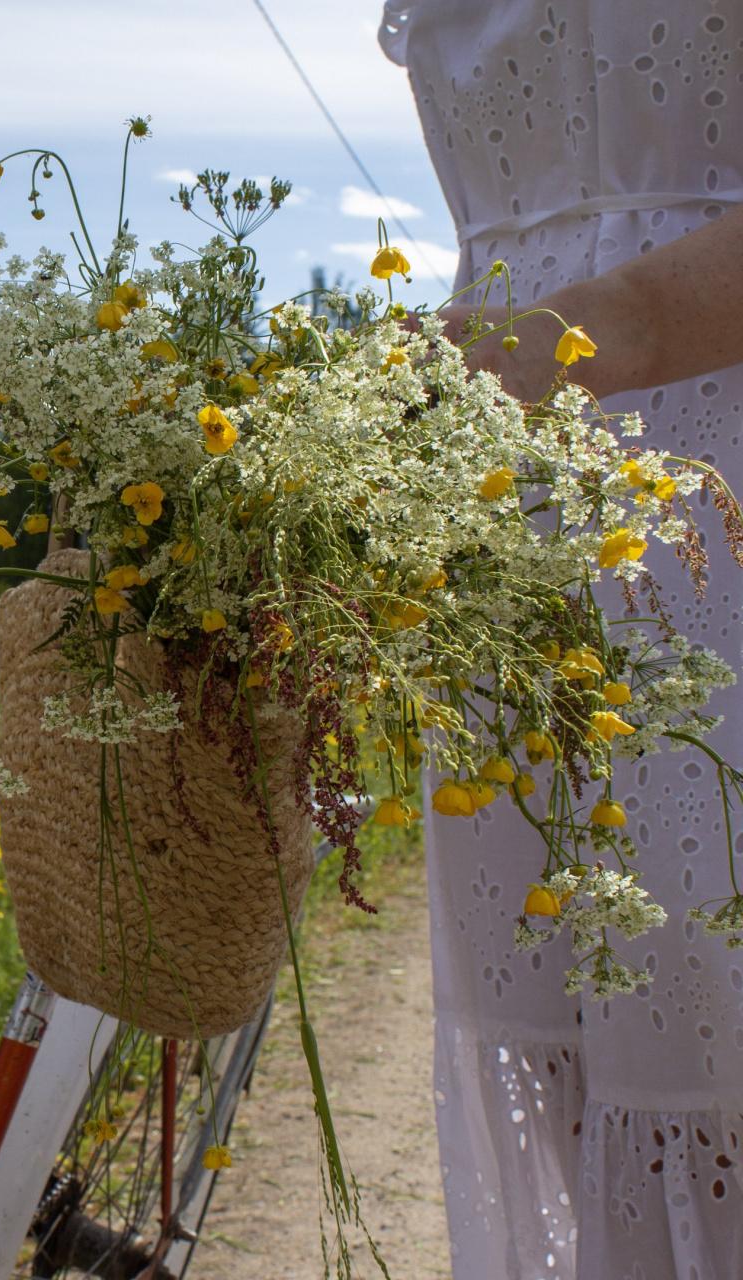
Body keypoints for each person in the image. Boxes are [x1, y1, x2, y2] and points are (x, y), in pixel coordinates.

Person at [381, 3, 743, 1277]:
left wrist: (579, 337)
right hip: (502, 520)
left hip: (721, 488)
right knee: (564, 1017)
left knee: (711, 1006)